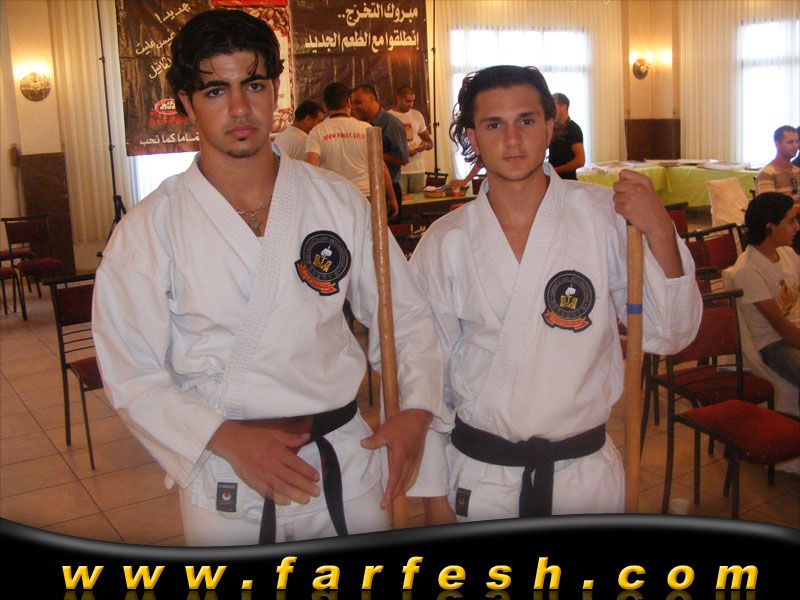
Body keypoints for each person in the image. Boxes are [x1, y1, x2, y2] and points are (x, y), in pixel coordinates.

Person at [92, 9, 451, 547]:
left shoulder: (336, 202)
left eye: (254, 85)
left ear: (275, 90)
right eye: (216, 90)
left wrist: (416, 408)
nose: (240, 108)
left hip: (343, 462)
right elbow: (131, 374)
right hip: (228, 473)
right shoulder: (148, 231)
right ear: (186, 103)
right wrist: (225, 438)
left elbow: (404, 317)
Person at [410, 65, 702, 521]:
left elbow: (670, 333)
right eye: (494, 125)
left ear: (550, 127)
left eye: (526, 121)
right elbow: (424, 375)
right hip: (482, 480)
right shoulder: (445, 241)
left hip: (584, 477)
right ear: (472, 137)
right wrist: (432, 499)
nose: (512, 140)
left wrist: (659, 228)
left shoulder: (604, 217)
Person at [732, 193, 799, 400]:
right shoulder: (748, 270)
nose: (797, 227)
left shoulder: (787, 253)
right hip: (775, 344)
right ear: (770, 227)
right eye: (791, 221)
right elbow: (780, 325)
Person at [305, 82, 398, 218]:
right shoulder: (367, 129)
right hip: (365, 197)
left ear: (325, 106)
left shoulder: (317, 132)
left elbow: (310, 169)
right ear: (349, 102)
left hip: (334, 199)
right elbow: (381, 167)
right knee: (367, 232)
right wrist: (392, 198)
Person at [351, 84, 409, 217]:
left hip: (388, 189)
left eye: (358, 103)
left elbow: (403, 158)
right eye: (352, 103)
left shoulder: (391, 124)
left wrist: (373, 154)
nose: (354, 107)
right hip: (365, 189)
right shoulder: (357, 124)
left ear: (372, 99)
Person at [388, 85, 434, 194]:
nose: (411, 104)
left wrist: (425, 146)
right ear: (398, 99)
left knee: (419, 201)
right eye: (408, 101)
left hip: (418, 169)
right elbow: (384, 147)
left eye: (413, 101)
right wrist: (403, 152)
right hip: (399, 171)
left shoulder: (417, 115)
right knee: (401, 202)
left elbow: (430, 142)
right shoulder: (388, 117)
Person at [756, 125, 800, 202]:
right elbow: (769, 205)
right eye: (790, 142)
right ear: (777, 144)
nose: (795, 146)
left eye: (797, 141)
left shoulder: (797, 171)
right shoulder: (767, 174)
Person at [546, 92, 585, 180]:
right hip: (553, 179)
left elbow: (580, 161)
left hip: (567, 181)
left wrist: (556, 170)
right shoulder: (553, 128)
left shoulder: (573, 128)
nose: (551, 110)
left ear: (563, 107)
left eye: (554, 106)